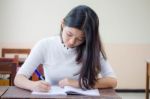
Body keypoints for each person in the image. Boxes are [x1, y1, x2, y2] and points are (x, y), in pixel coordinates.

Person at [14, 5, 117, 92]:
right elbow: (19, 78)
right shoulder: (45, 45)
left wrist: (79, 83)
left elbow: (112, 81)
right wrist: (33, 85)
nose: (72, 42)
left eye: (80, 39)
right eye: (69, 34)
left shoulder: (91, 49)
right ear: (63, 24)